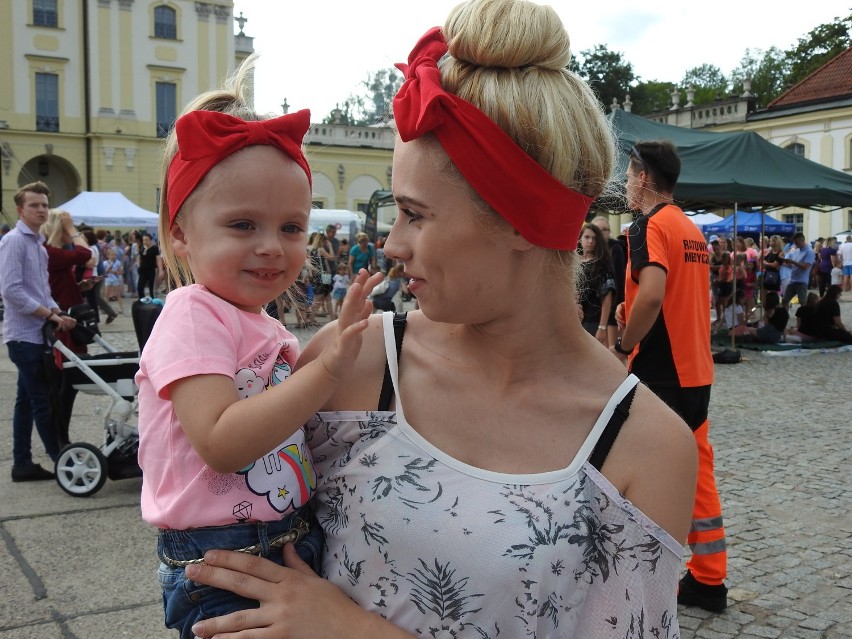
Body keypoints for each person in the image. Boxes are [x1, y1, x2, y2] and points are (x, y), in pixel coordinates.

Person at [186, 3, 698, 637]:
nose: (393, 245)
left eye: (415, 214)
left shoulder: (645, 447)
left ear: (519, 218)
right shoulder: (356, 363)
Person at [135, 60, 383, 639]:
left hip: (281, 538)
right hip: (223, 563)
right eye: (243, 225)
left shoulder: (257, 323)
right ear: (180, 231)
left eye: (291, 228)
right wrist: (329, 367)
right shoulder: (193, 314)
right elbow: (223, 441)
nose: (272, 247)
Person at [615, 139, 728, 612]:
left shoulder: (649, 226)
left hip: (660, 370)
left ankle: (633, 574)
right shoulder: (691, 228)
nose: (624, 182)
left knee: (627, 465)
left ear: (643, 180)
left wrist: (624, 341)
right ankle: (708, 578)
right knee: (699, 471)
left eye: (628, 174)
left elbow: (655, 292)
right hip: (696, 371)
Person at [0, 182, 76, 481]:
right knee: (42, 399)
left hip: (37, 332)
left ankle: (22, 463)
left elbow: (42, 291)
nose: (42, 209)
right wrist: (49, 314)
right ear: (20, 210)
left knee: (26, 400)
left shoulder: (38, 247)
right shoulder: (14, 241)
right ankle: (61, 460)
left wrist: (58, 313)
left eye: (45, 204)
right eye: (35, 205)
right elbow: (11, 290)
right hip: (23, 336)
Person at [41, 209, 94, 447]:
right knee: (65, 384)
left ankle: (60, 439)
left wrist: (79, 287)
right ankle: (60, 439)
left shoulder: (52, 254)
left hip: (66, 318)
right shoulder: (52, 253)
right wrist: (73, 230)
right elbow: (86, 254)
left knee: (68, 383)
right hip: (62, 323)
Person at [577, 221, 615, 343]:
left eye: (594, 238)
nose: (590, 241)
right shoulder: (574, 263)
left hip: (592, 321)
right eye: (587, 237)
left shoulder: (601, 265)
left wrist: (602, 327)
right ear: (580, 238)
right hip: (573, 319)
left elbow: (607, 297)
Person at [591, 215, 625, 347]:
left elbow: (618, 282)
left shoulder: (615, 249)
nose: (601, 232)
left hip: (611, 311)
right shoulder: (589, 253)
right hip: (592, 314)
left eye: (605, 229)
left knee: (611, 350)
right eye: (598, 229)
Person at [781, 232, 816, 309]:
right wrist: (783, 263)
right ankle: (785, 315)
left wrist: (792, 262)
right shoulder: (796, 251)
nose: (796, 244)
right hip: (793, 280)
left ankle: (804, 317)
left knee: (803, 302)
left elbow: (805, 267)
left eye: (797, 242)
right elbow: (793, 266)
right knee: (785, 300)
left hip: (802, 281)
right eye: (795, 242)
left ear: (802, 240)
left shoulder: (809, 252)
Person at [137, 232, 160, 298]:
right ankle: (142, 301)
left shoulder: (155, 248)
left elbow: (158, 260)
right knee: (140, 287)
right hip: (142, 270)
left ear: (150, 240)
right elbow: (139, 258)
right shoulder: (142, 248)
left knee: (151, 288)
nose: (145, 241)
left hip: (151, 270)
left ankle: (153, 302)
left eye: (146, 240)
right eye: (144, 240)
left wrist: (160, 270)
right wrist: (138, 265)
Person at [102, 246, 124, 313]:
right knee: (106, 295)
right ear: (108, 256)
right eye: (112, 255)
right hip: (108, 279)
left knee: (117, 295)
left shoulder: (117, 262)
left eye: (114, 255)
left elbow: (121, 272)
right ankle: (106, 308)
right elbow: (103, 272)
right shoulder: (105, 263)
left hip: (115, 279)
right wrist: (108, 270)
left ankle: (121, 308)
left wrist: (115, 272)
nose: (113, 256)